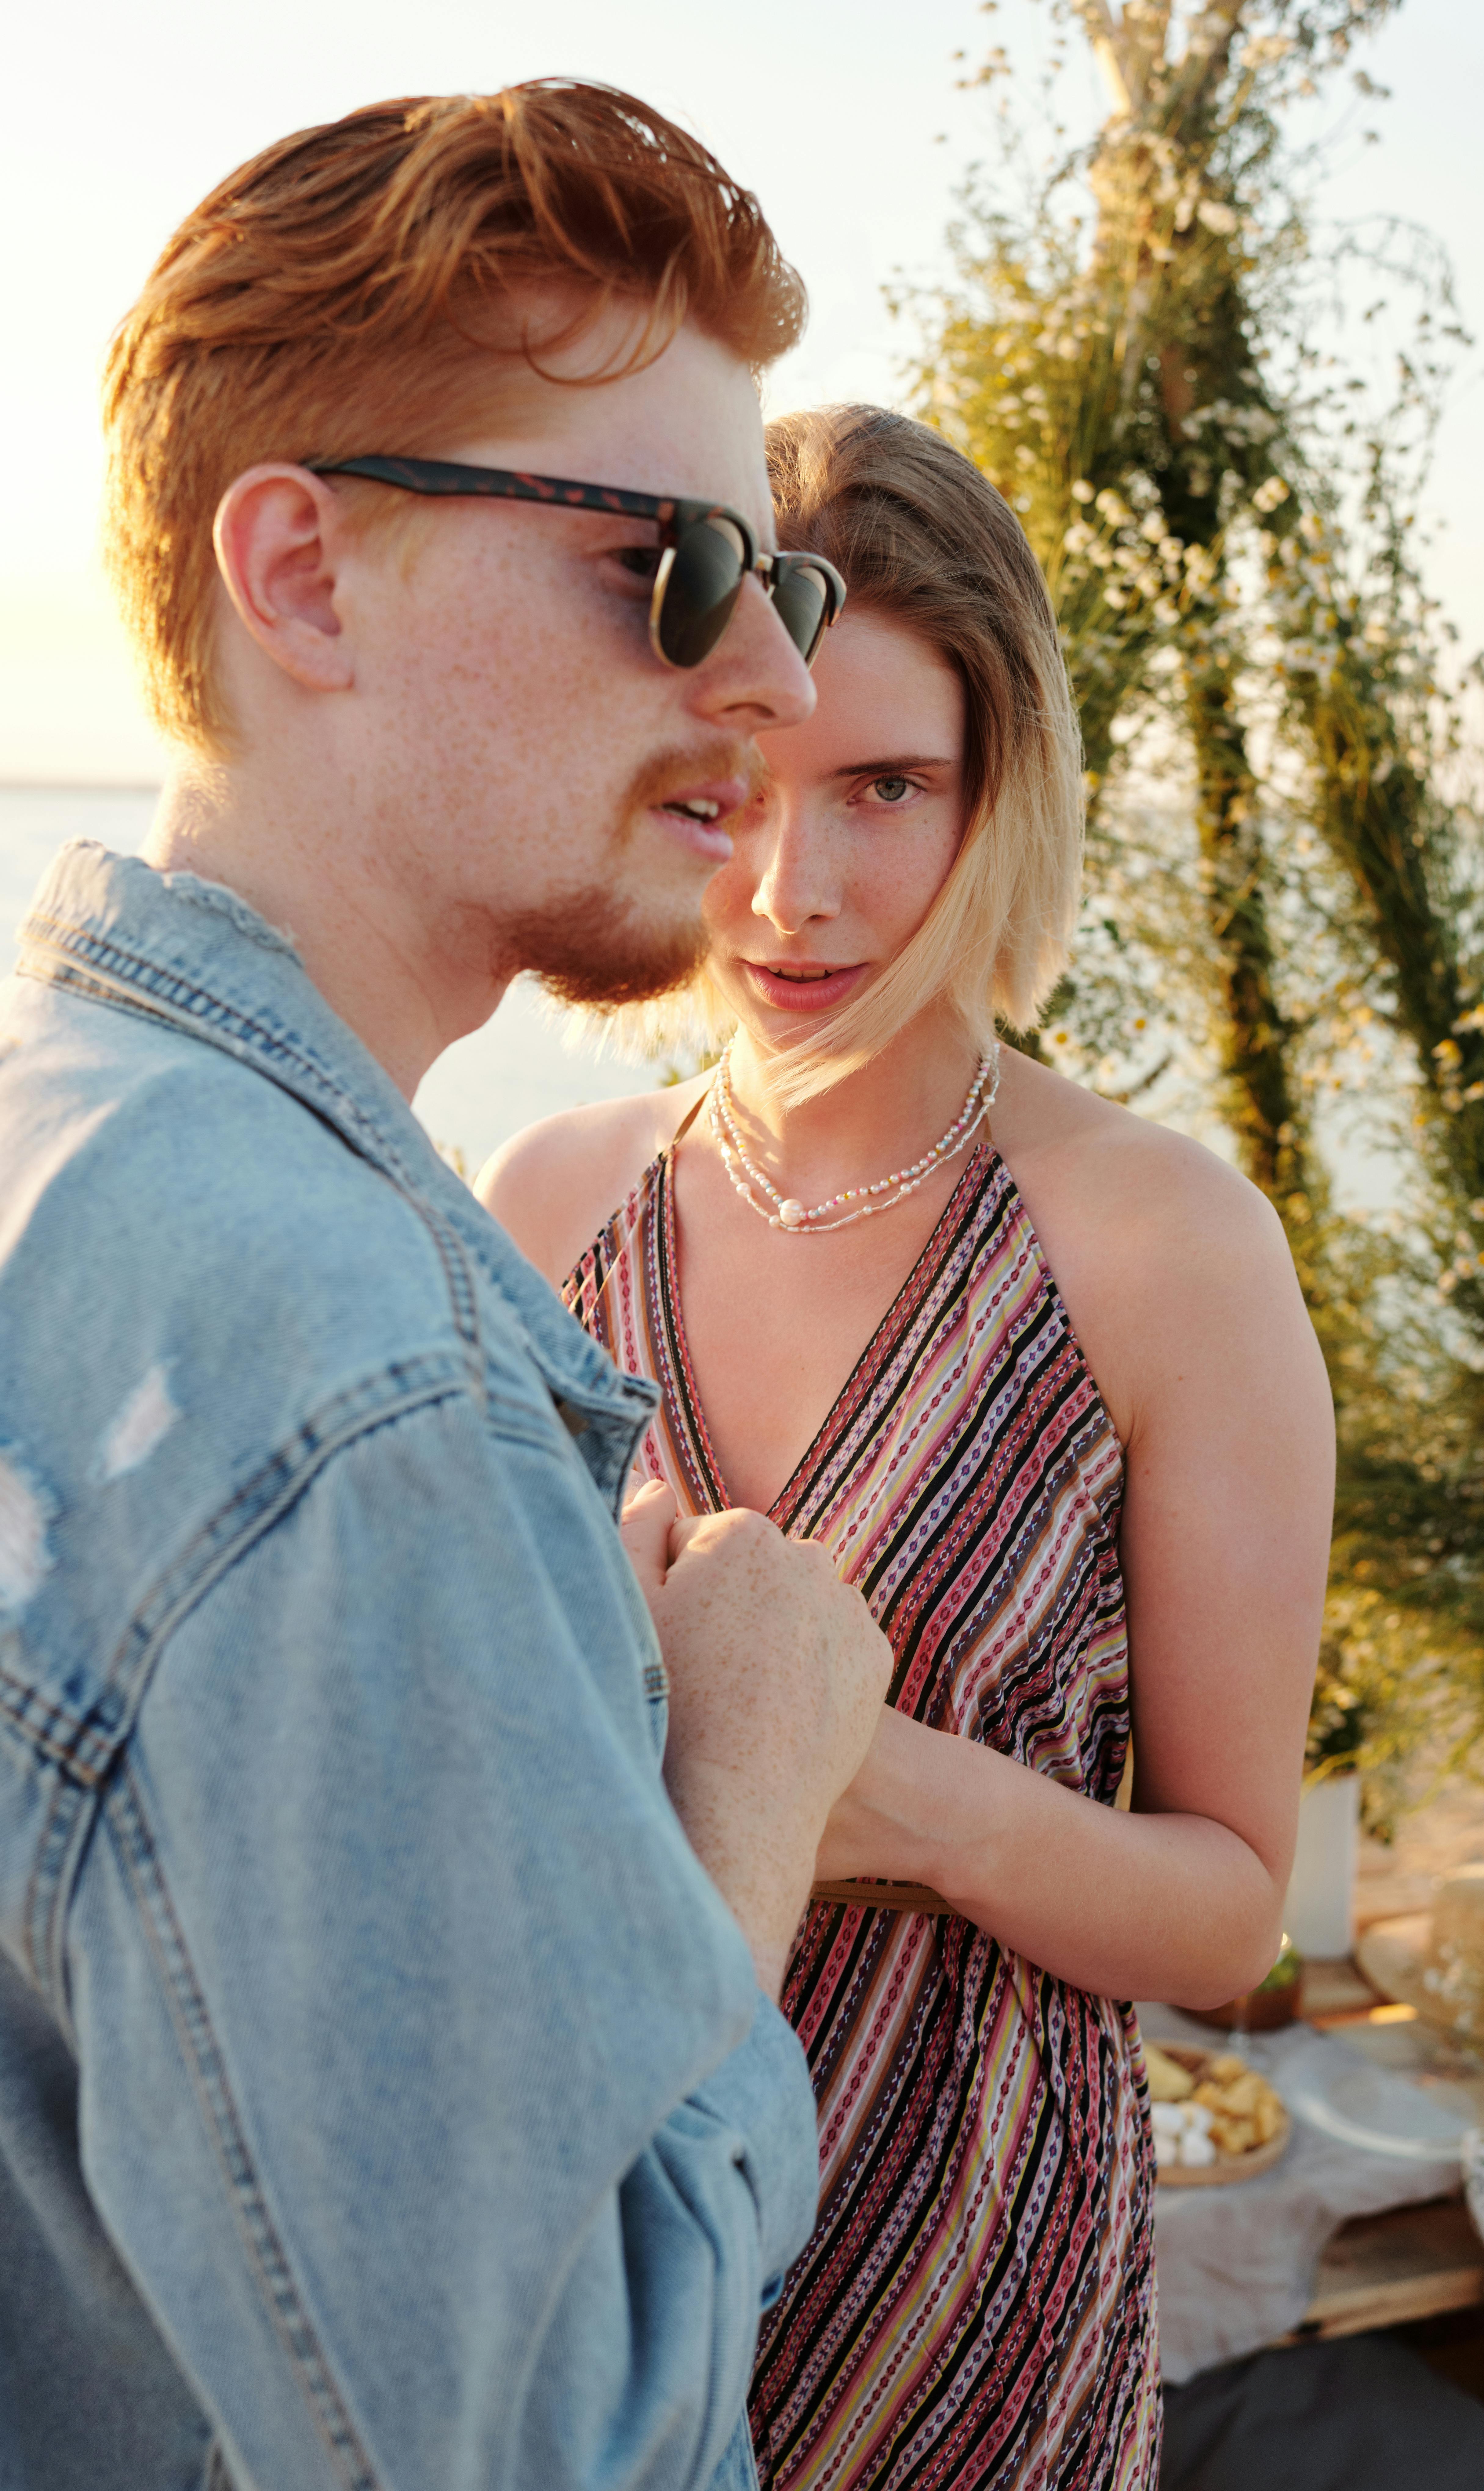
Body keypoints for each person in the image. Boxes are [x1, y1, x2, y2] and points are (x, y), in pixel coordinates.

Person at [0, 86, 893, 2491]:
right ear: (297, 575)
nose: (774, 690)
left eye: (780, 591)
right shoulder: (351, 1389)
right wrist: (749, 1774)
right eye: (670, 572)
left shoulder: (57, 1138)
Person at [479, 406, 1337, 2491]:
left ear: (1001, 791)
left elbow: (1236, 1911)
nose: (798, 888)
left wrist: (886, 1794)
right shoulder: (541, 1205)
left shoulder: (1164, 1249)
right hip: (589, 2293)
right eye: (746, 786)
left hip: (975, 2334)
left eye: (888, 788)